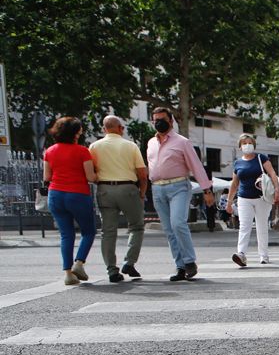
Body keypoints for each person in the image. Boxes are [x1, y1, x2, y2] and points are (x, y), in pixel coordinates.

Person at [147, 106, 212, 281]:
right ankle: (180, 266)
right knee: (168, 230)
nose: (158, 122)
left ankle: (190, 261)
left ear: (171, 121)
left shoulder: (182, 142)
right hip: (157, 188)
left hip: (179, 186)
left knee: (178, 223)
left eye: (162, 118)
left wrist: (207, 190)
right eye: (155, 119)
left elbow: (196, 166)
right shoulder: (151, 143)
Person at [89, 115, 148, 282]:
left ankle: (111, 270)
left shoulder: (94, 146)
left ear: (103, 129)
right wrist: (142, 193)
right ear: (121, 128)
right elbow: (142, 175)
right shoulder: (130, 146)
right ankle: (129, 262)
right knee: (136, 227)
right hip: (128, 189)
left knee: (108, 232)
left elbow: (90, 172)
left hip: (104, 189)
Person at [43, 116, 98, 285]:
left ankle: (68, 273)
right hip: (78, 195)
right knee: (89, 231)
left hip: (56, 195)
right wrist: (99, 175)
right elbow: (91, 177)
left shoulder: (49, 151)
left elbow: (47, 177)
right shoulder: (82, 151)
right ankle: (79, 263)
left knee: (66, 235)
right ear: (75, 133)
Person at [226, 134, 279, 266]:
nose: (247, 145)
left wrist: (277, 190)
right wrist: (229, 202)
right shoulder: (237, 163)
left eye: (249, 142)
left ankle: (264, 255)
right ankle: (241, 254)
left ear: (254, 145)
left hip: (261, 198)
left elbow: (272, 173)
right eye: (244, 143)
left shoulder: (260, 158)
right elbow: (234, 183)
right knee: (244, 226)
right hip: (243, 198)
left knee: (261, 226)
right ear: (240, 146)